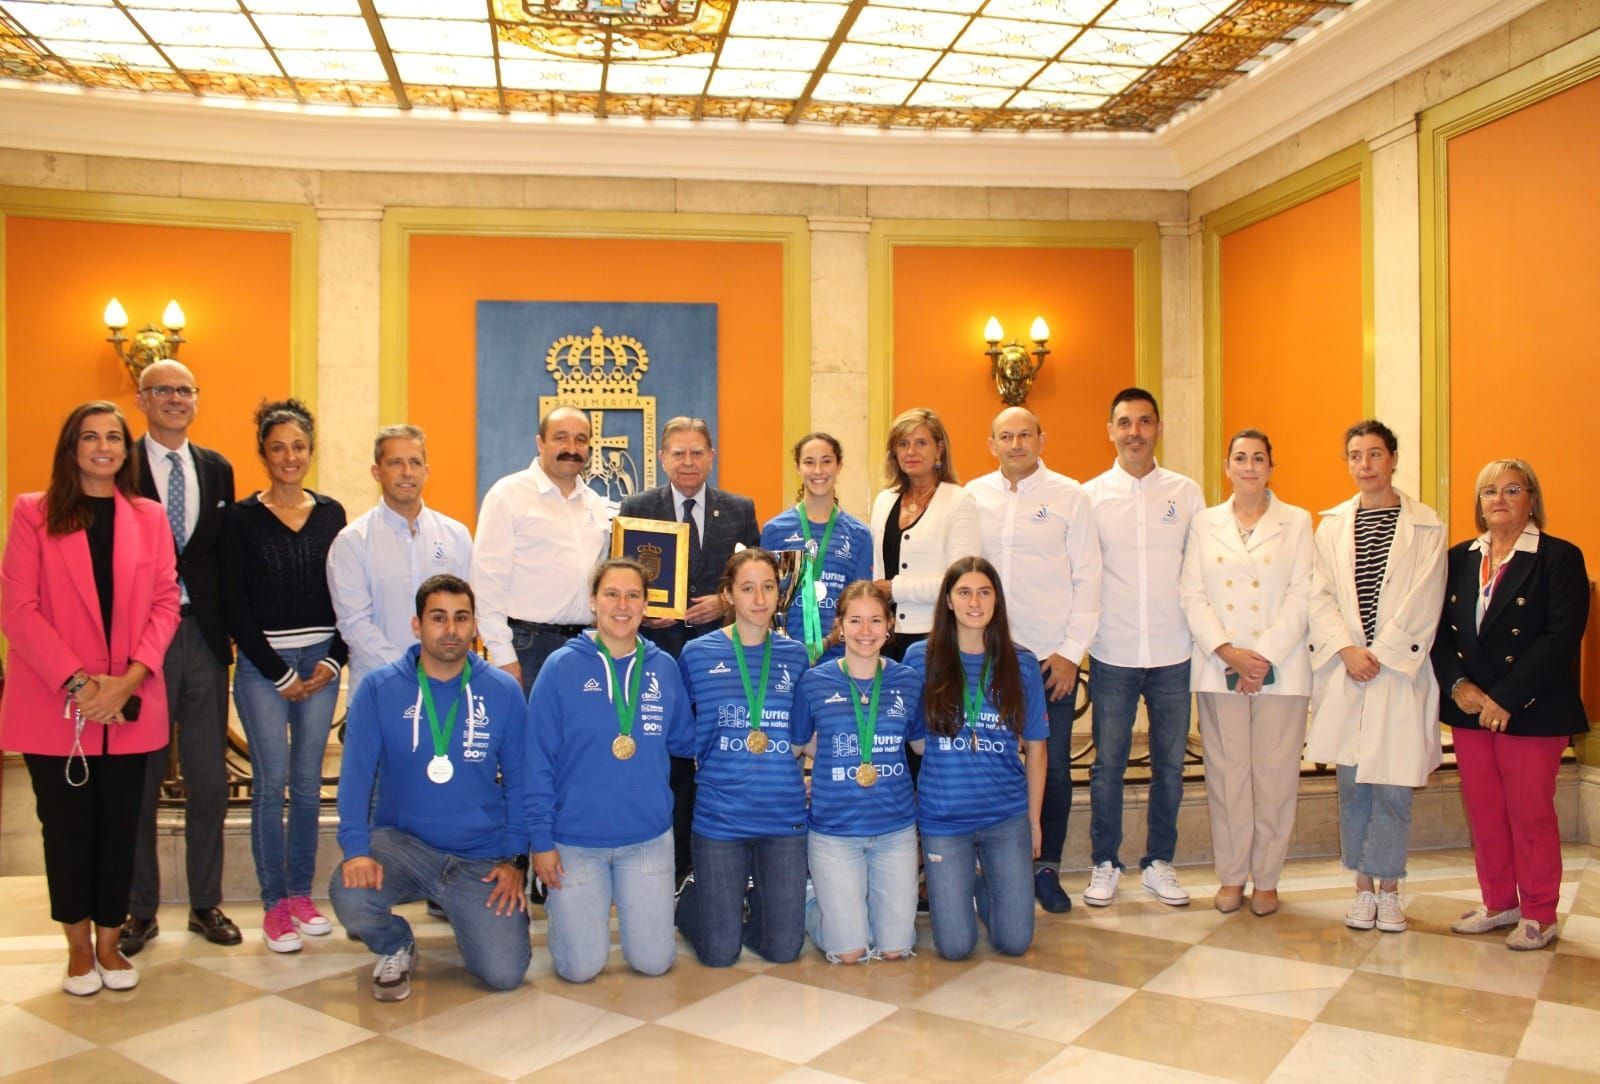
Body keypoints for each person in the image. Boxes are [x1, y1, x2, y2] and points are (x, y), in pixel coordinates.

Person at [0, 401, 180, 995]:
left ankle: (110, 941)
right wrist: (81, 684)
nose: (104, 447)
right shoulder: (34, 512)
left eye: (114, 438)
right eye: (90, 437)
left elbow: (165, 603)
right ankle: (78, 947)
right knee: (67, 829)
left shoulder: (149, 516)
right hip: (56, 704)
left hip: (130, 700)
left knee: (121, 826)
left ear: (127, 451)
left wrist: (127, 680)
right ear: (71, 448)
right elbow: (18, 610)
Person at [330, 574, 532, 1000]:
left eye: (462, 618)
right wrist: (356, 850)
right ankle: (395, 942)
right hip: (402, 847)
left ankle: (469, 916)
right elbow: (356, 778)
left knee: (504, 972)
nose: (451, 629)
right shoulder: (378, 689)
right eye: (438, 618)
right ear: (416, 625)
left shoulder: (502, 691)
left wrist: (516, 859)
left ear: (474, 625)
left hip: (479, 857)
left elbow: (521, 782)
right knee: (350, 896)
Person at [1433, 459, 1588, 951]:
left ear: (1532, 499)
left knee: (1529, 814)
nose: (1499, 499)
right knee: (1485, 812)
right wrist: (1458, 685)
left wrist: (1506, 698)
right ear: (1479, 504)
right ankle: (1499, 902)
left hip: (1532, 708)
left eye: (1512, 490)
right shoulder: (1460, 557)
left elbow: (1561, 637)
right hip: (1471, 707)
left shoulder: (1558, 558)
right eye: (1489, 491)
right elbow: (1436, 633)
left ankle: (1539, 912)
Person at [1306, 419, 1446, 935]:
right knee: (1352, 786)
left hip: (1397, 674)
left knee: (1392, 787)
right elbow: (1319, 595)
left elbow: (1426, 599)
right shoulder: (1331, 527)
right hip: (1348, 671)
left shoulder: (1426, 526)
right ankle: (1361, 889)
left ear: (1393, 459)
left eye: (1374, 454)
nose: (1364, 465)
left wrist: (1380, 655)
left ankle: (1389, 889)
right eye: (1355, 456)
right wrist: (1347, 649)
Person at [526, 558, 694, 983]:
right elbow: (536, 760)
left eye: (633, 595)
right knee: (580, 969)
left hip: (647, 838)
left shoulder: (664, 667)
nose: (622, 605)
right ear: (593, 601)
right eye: (611, 594)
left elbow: (687, 741)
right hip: (575, 841)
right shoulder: (560, 667)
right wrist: (541, 841)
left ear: (646, 605)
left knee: (654, 963)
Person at [122, 361, 241, 955]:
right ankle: (139, 909)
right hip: (140, 643)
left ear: (196, 399)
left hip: (202, 640)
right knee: (140, 782)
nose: (175, 399)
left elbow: (222, 556)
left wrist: (232, 630)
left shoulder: (217, 468)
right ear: (142, 399)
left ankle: (205, 903)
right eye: (163, 390)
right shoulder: (120, 465)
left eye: (185, 390)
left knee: (209, 779)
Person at [223, 398, 348, 953]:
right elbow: (233, 604)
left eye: (298, 446)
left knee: (307, 786)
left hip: (320, 661)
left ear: (311, 451)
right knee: (271, 785)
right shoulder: (240, 519)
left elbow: (347, 593)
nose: (290, 456)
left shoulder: (332, 514)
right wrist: (276, 673)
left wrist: (333, 659)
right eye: (278, 448)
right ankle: (273, 903)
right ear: (264, 455)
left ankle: (301, 894)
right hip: (262, 667)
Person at [967, 405, 1100, 913]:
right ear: (991, 444)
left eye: (1025, 434)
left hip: (1049, 660)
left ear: (1043, 440)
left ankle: (1046, 868)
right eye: (1006, 436)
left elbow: (1088, 576)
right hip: (986, 659)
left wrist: (1070, 653)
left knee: (1055, 768)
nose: (1016, 443)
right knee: (987, 763)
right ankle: (990, 869)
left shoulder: (1071, 496)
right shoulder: (972, 497)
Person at [1178, 429, 1313, 917]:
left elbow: (1302, 593)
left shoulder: (1297, 521)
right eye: (1240, 458)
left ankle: (1268, 880)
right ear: (1227, 467)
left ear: (1271, 467)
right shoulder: (1204, 522)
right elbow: (1192, 593)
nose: (1249, 466)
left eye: (1258, 458)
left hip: (1282, 668)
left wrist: (1263, 657)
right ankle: (1232, 875)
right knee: (1227, 776)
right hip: (1220, 668)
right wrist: (1228, 652)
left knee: (1275, 778)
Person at [618, 416, 760, 881]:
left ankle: (716, 864)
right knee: (669, 760)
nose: (687, 462)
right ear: (662, 458)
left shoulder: (739, 509)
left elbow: (754, 576)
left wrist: (723, 601)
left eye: (697, 452)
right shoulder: (637, 507)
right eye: (678, 453)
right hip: (658, 654)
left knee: (718, 752)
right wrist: (645, 609)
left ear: (711, 457)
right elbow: (622, 580)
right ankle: (672, 868)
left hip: (722, 656)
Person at [1081, 387, 1205, 907]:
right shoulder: (1089, 497)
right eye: (1125, 422)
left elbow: (1200, 571)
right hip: (1113, 650)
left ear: (1158, 428)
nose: (1135, 432)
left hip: (1174, 649)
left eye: (1145, 421)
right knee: (1107, 765)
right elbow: (1082, 573)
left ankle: (1159, 862)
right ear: (1110, 430)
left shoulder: (1187, 493)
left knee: (1170, 766)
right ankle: (1104, 862)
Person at [903, 557, 1047, 960]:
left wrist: (1034, 821)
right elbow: (912, 738)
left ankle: (988, 884)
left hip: (1006, 817)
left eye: (984, 592)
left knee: (1014, 942)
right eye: (964, 592)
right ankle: (964, 881)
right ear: (948, 601)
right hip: (944, 820)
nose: (975, 602)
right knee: (954, 948)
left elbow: (1037, 748)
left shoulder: (1022, 663)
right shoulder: (920, 658)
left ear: (997, 600)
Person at [674, 549, 812, 966]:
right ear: (728, 595)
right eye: (747, 588)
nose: (760, 599)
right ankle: (691, 898)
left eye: (768, 587)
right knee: (719, 954)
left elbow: (804, 732)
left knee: (784, 950)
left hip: (782, 816)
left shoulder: (796, 655)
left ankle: (745, 903)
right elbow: (679, 728)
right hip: (721, 816)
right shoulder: (697, 654)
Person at [794, 581, 925, 963]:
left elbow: (921, 745)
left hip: (895, 830)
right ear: (840, 625)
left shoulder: (907, 680)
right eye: (855, 621)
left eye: (875, 621)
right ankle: (813, 900)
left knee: (895, 949)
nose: (865, 631)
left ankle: (856, 910)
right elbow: (797, 745)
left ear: (889, 626)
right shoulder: (814, 682)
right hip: (835, 832)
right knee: (850, 952)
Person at [473, 406, 611, 697]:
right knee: (528, 727)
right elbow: (487, 582)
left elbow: (600, 581)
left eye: (581, 439)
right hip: (527, 646)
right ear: (540, 443)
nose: (571, 448)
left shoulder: (595, 504)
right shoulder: (508, 495)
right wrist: (503, 655)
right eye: (561, 438)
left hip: (585, 645)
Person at [328, 425, 472, 697]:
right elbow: (354, 623)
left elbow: (466, 614)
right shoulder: (352, 541)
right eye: (395, 463)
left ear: (426, 471)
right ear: (376, 472)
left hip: (446, 687)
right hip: (379, 688)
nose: (407, 472)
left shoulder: (456, 535)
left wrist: (440, 668)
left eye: (415, 462)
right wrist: (409, 669)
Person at [869, 407, 980, 660]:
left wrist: (896, 588)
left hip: (937, 636)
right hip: (884, 635)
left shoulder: (959, 501)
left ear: (939, 449)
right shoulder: (884, 500)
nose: (911, 452)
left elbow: (961, 582)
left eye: (921, 443)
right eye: (903, 444)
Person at [759, 432, 873, 665]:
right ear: (798, 468)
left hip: (839, 658)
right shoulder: (775, 530)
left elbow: (861, 603)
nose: (818, 470)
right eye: (809, 462)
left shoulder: (859, 535)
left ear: (839, 466)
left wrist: (834, 637)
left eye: (826, 461)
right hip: (784, 655)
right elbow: (765, 597)